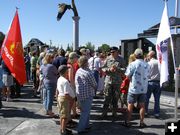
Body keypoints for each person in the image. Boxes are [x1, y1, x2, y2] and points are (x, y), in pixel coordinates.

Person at [124, 48, 149, 128]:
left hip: (133, 88)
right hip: (143, 88)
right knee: (142, 106)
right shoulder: (147, 64)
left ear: (135, 55)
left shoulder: (132, 64)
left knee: (130, 105)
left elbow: (127, 76)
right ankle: (141, 122)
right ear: (142, 55)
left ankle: (128, 122)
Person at [101, 46, 126, 117]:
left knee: (116, 97)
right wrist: (109, 70)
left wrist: (118, 69)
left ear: (117, 52)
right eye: (111, 52)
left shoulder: (121, 59)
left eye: (113, 52)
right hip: (108, 81)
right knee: (107, 97)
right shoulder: (108, 59)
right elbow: (103, 68)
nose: (111, 53)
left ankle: (114, 112)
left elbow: (124, 69)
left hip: (117, 81)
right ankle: (104, 112)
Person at [75, 56, 97, 134]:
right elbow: (94, 84)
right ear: (85, 63)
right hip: (87, 94)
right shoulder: (88, 73)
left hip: (80, 94)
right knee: (85, 112)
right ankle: (80, 129)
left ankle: (86, 125)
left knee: (86, 111)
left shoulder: (78, 70)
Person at [56, 65, 75, 135]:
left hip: (60, 98)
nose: (68, 72)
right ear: (65, 72)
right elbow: (66, 94)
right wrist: (72, 99)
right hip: (64, 99)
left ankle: (62, 128)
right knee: (65, 116)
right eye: (67, 71)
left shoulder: (59, 79)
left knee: (62, 115)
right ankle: (63, 131)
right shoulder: (65, 81)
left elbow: (57, 90)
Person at [40, 52, 58, 117]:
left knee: (45, 97)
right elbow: (57, 73)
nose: (53, 59)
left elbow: (40, 72)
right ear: (50, 59)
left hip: (45, 82)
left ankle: (47, 110)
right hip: (51, 83)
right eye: (52, 58)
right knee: (50, 98)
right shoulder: (51, 66)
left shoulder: (42, 66)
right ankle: (50, 111)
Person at [145, 50, 161, 118]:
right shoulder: (159, 62)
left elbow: (146, 73)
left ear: (150, 56)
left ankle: (145, 111)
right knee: (157, 99)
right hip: (158, 82)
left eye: (148, 55)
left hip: (150, 82)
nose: (147, 56)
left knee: (147, 98)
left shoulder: (149, 63)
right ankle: (156, 113)